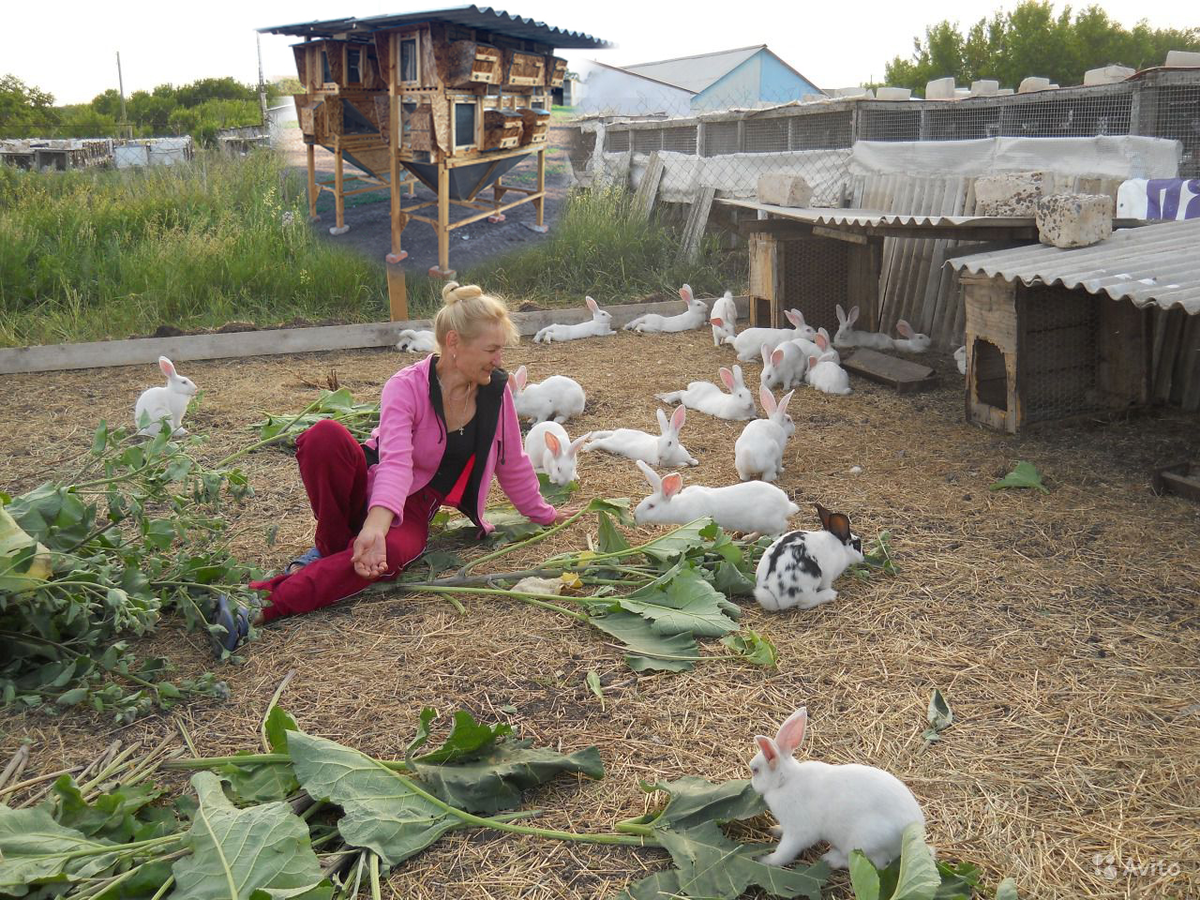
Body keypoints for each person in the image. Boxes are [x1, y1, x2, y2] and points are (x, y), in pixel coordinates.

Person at [211, 282, 570, 652]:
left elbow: (512, 463)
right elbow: (395, 463)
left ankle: (255, 602)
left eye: (501, 350)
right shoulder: (406, 385)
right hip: (369, 479)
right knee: (324, 435)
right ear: (453, 343)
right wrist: (374, 527)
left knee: (391, 556)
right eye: (491, 349)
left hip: (415, 502)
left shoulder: (495, 394)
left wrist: (545, 514)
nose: (499, 360)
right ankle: (336, 547)